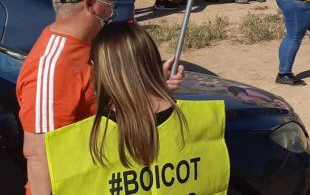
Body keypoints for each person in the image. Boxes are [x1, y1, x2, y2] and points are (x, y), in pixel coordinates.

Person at [15, 0, 184, 195]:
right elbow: (39, 154)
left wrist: (156, 91)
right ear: (91, 4)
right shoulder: (53, 66)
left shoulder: (92, 43)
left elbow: (108, 109)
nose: (114, 4)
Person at [43, 22, 228, 195]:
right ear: (152, 59)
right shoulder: (202, 121)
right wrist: (159, 88)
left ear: (98, 69)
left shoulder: (79, 142)